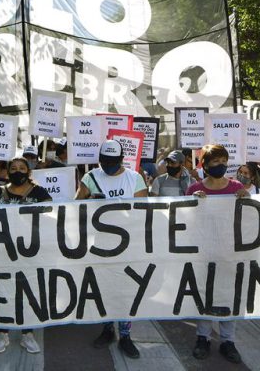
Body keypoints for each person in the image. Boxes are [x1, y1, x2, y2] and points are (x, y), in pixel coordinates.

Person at [75, 140, 147, 359]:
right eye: (104, 161)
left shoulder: (134, 178)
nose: (108, 165)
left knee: (125, 288)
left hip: (127, 244)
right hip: (101, 243)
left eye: (112, 162)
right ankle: (108, 329)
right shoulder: (91, 177)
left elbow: (143, 210)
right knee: (104, 287)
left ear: (121, 159)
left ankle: (125, 335)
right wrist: (89, 200)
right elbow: (76, 205)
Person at [186, 144, 249, 364]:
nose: (221, 166)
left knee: (229, 294)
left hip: (229, 251)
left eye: (224, 161)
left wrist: (246, 198)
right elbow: (185, 221)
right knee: (205, 294)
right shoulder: (193, 188)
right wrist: (193, 202)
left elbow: (249, 220)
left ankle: (227, 341)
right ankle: (202, 337)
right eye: (215, 162)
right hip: (203, 251)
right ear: (205, 165)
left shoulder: (236, 187)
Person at [0, 158, 52, 354]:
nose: (18, 171)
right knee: (4, 292)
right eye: (13, 169)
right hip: (3, 251)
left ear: (28, 172)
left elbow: (51, 213)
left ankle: (27, 334)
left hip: (30, 252)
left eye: (22, 168)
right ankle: (2, 332)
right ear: (7, 172)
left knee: (29, 291)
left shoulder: (40, 192)